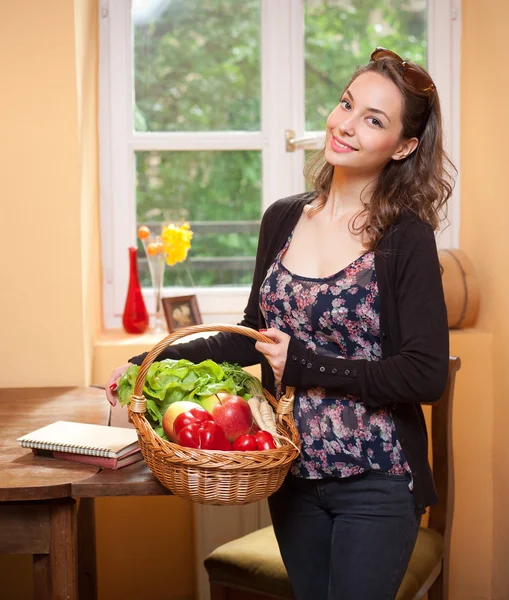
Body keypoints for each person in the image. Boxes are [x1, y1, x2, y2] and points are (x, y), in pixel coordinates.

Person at [106, 47, 454, 600]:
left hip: (378, 480)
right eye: (347, 104)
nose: (345, 125)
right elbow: (252, 337)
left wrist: (307, 363)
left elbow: (425, 375)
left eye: (374, 119)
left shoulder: (405, 237)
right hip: (290, 474)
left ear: (404, 146)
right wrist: (152, 361)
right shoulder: (284, 218)